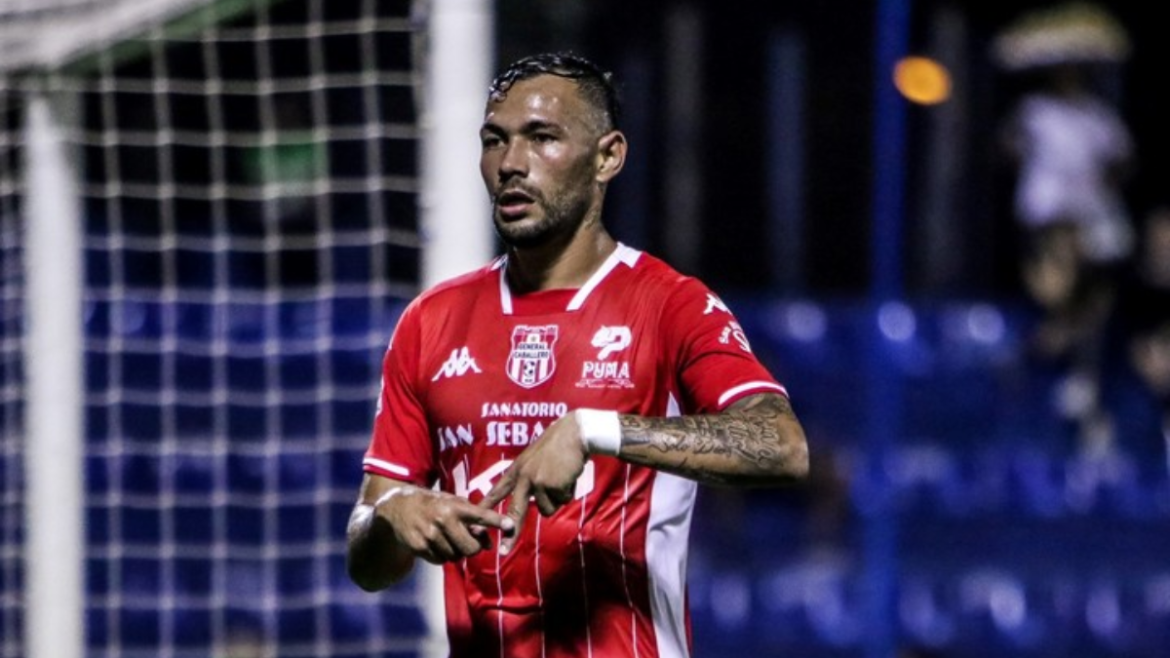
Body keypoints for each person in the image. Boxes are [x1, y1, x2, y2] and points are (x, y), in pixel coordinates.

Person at [345, 51, 810, 657]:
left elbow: (782, 445)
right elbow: (367, 562)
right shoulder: (429, 322)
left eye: (542, 138)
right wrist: (392, 515)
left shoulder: (669, 305)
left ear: (607, 157)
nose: (511, 163)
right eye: (495, 141)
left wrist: (595, 431)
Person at [998, 59, 1135, 453]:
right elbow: (1006, 147)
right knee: (1054, 302)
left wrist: (1100, 179)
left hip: (1085, 217)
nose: (1069, 77)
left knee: (1090, 309)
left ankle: (1082, 389)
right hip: (1043, 216)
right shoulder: (1034, 110)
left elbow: (1124, 157)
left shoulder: (1097, 115)